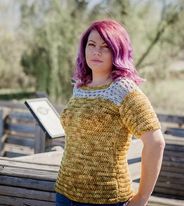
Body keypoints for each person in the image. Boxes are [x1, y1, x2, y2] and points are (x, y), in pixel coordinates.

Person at [55, 19, 165, 206]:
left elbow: (155, 142)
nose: (96, 51)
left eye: (105, 47)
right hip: (64, 194)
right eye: (91, 45)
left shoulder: (123, 89)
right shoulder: (81, 86)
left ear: (117, 51)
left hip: (106, 199)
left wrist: (141, 199)